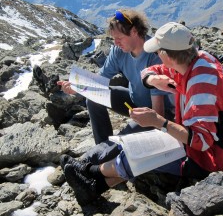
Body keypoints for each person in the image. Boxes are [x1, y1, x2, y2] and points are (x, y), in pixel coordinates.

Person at [61, 22, 223, 206]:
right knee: (146, 144)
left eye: (158, 51)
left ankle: (90, 172)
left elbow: (202, 141)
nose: (156, 55)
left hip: (216, 155)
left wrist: (159, 122)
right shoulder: (195, 60)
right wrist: (153, 80)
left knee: (140, 151)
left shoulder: (201, 83)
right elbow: (149, 70)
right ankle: (93, 188)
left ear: (167, 55)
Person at [58, 9, 174, 164]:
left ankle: (98, 160)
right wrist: (77, 88)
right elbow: (99, 81)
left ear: (134, 31)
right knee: (93, 98)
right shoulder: (118, 51)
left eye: (119, 38)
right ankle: (102, 150)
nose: (116, 43)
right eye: (114, 39)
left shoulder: (154, 56)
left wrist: (142, 123)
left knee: (128, 134)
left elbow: (158, 113)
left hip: (160, 112)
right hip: (134, 100)